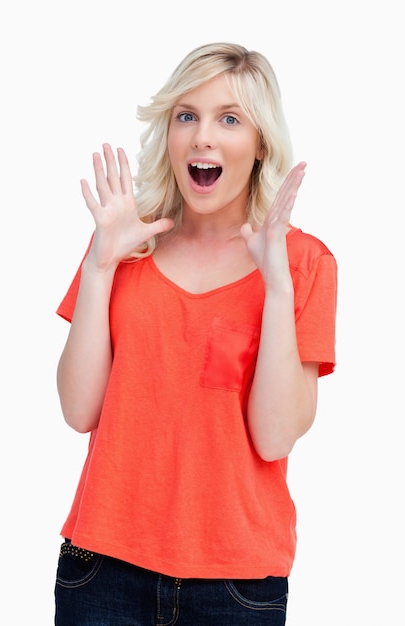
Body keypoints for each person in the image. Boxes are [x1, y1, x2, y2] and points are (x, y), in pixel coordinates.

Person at [54, 42, 337, 626]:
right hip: (101, 568)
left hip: (236, 584)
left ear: (260, 144)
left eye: (228, 119)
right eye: (187, 115)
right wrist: (99, 265)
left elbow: (275, 437)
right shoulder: (124, 245)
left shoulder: (304, 263)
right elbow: (79, 410)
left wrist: (276, 287)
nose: (203, 136)